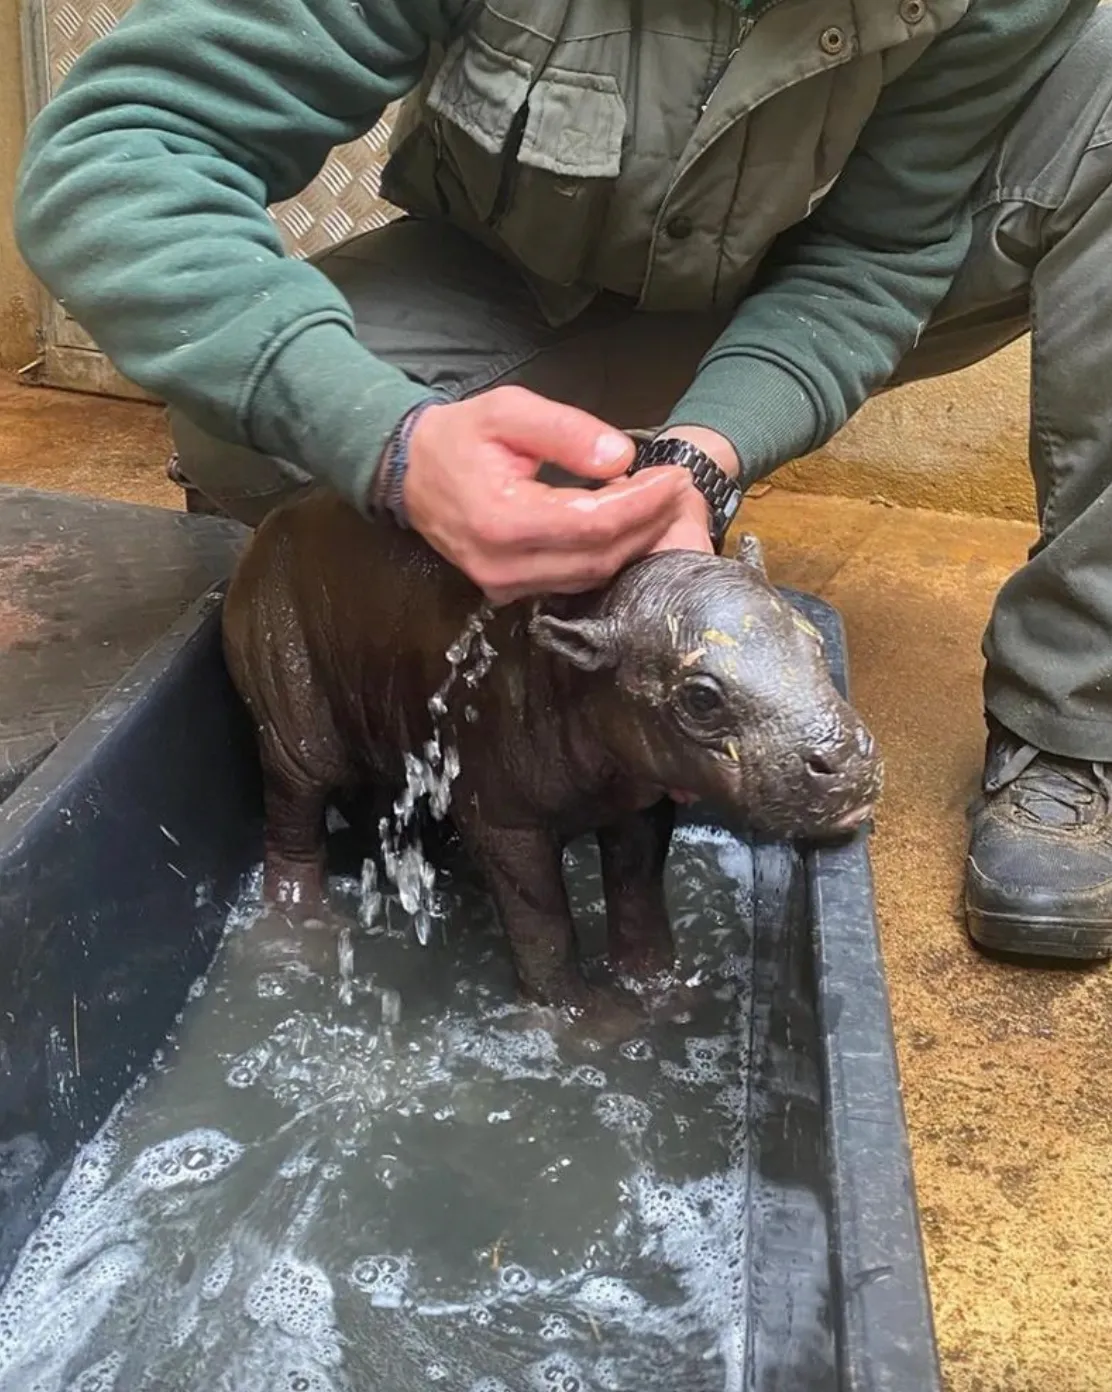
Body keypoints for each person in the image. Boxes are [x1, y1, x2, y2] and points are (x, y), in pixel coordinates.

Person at [14, 0, 1112, 960]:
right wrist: (391, 443)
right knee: (249, 433)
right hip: (531, 284)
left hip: (824, 284)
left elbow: (871, 259)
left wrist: (705, 457)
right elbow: (118, 147)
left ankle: (1070, 720)